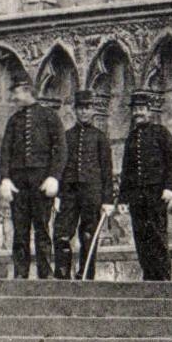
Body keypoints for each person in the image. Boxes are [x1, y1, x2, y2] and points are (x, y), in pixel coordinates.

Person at [0, 72, 66, 279]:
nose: (13, 98)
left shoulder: (49, 116)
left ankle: (45, 274)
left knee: (42, 230)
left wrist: (54, 176)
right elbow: (5, 152)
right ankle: (21, 274)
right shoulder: (13, 121)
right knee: (20, 231)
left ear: (28, 91)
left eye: (16, 92)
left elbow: (61, 149)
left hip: (41, 182)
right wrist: (5, 179)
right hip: (19, 184)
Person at [117, 89, 172, 281]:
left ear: (149, 111)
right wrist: (122, 198)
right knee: (141, 236)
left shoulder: (160, 132)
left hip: (156, 194)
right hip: (137, 196)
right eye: (136, 109)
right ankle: (148, 277)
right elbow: (126, 170)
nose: (138, 112)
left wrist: (169, 187)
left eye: (142, 108)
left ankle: (162, 279)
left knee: (157, 235)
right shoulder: (131, 137)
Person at [53, 89, 114, 281]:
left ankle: (86, 275)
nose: (84, 112)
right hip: (68, 192)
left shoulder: (100, 137)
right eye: (80, 108)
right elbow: (59, 166)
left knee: (88, 235)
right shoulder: (67, 136)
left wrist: (107, 199)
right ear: (75, 110)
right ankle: (63, 275)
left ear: (93, 110)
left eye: (87, 108)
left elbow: (107, 170)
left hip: (92, 193)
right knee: (62, 233)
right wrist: (56, 195)